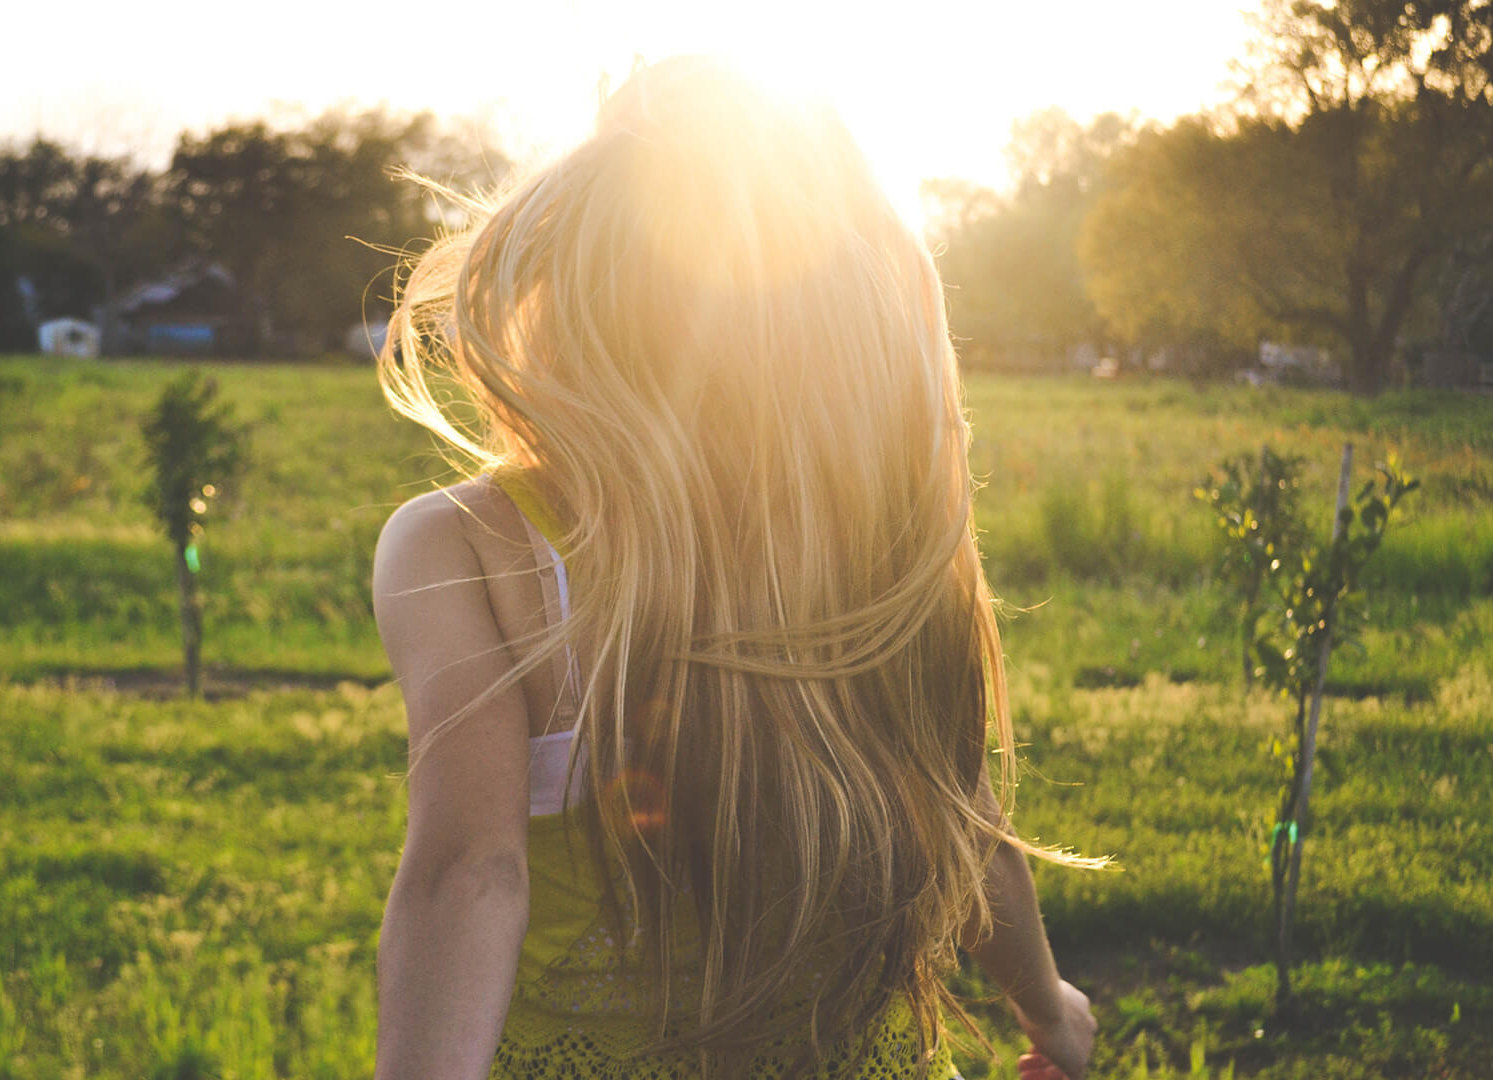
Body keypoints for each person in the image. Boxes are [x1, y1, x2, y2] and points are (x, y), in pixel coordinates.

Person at [369, 55, 1101, 1080]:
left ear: (567, 289)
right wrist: (1049, 1008)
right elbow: (964, 818)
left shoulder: (468, 543)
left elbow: (470, 874)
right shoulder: (880, 542)